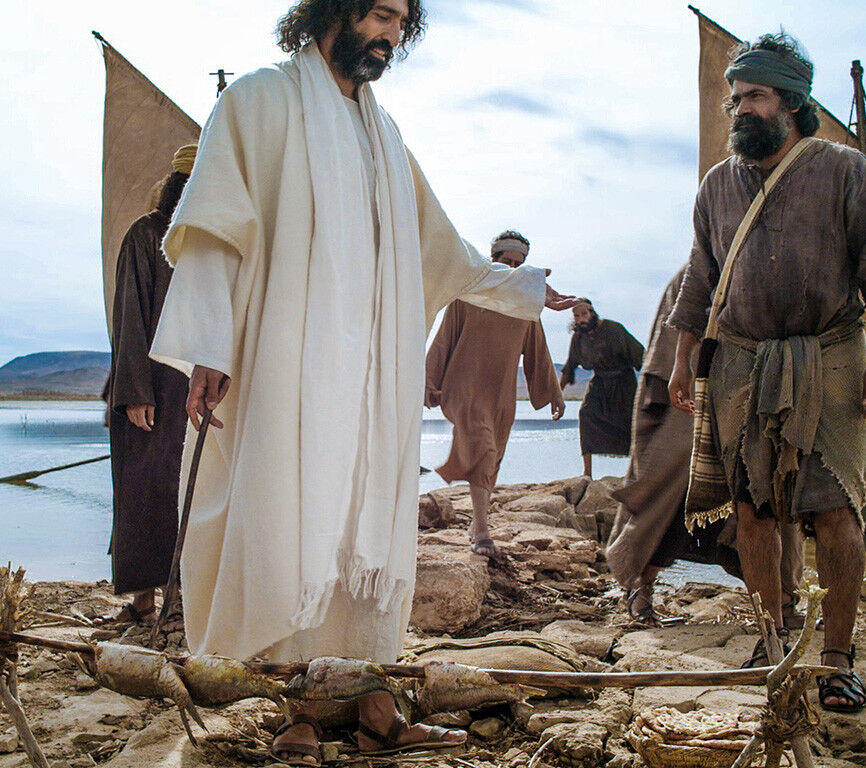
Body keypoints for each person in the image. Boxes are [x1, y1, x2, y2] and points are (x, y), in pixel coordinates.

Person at [148, 2, 578, 764]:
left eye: (401, 23)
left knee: (365, 536)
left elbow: (441, 248)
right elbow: (213, 227)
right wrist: (210, 345)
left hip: (372, 380)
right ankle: (298, 712)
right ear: (336, 9)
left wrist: (525, 288)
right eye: (380, 15)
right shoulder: (258, 102)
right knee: (291, 522)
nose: (390, 36)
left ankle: (377, 707)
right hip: (285, 364)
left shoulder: (385, 136)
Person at [667, 33, 866, 713]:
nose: (740, 109)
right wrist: (683, 358)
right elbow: (700, 278)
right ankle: (772, 641)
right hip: (742, 360)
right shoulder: (718, 185)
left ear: (793, 102)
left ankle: (837, 659)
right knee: (753, 510)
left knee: (836, 509)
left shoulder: (845, 170)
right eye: (735, 99)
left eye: (755, 97)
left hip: (831, 355)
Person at [606, 269, 804, 628]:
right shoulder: (695, 275)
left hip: (752, 393)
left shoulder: (767, 265)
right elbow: (668, 348)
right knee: (670, 494)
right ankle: (640, 587)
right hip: (688, 399)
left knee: (766, 495)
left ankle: (782, 602)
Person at [425, 230, 565, 559]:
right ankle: (482, 531)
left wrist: (554, 392)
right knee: (483, 449)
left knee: (492, 458)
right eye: (506, 260)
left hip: (501, 395)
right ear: (493, 260)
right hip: (464, 388)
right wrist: (428, 382)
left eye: (519, 263)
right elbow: (444, 339)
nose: (512, 268)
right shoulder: (468, 295)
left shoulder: (525, 304)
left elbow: (538, 352)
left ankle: (477, 524)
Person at [101, 145, 196, 627]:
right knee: (144, 489)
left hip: (195, 388)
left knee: (186, 490)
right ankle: (143, 599)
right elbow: (129, 317)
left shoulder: (208, 240)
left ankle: (183, 597)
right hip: (151, 390)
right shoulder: (146, 234)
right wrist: (135, 391)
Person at [559, 300, 644, 478]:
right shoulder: (578, 338)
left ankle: (636, 470)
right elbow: (569, 367)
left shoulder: (614, 329)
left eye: (584, 314)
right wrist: (558, 395)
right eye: (576, 316)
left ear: (592, 312)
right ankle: (587, 473)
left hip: (623, 382)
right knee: (586, 414)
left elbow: (640, 355)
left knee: (631, 423)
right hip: (599, 382)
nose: (580, 319)